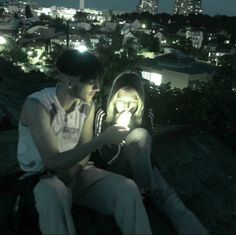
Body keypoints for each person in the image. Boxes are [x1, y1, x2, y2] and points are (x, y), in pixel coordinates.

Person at [16, 49, 152, 235]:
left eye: (98, 81)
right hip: (41, 178)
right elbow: (52, 162)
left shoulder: (87, 106)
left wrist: (72, 174)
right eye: (91, 82)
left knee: (127, 189)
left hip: (77, 172)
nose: (97, 88)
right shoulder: (38, 106)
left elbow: (84, 149)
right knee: (54, 192)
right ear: (69, 81)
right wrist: (102, 140)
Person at [94, 71, 209, 235]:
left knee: (170, 198)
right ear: (114, 98)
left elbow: (145, 146)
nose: (127, 106)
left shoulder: (145, 113)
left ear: (139, 100)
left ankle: (194, 229)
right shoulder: (102, 113)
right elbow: (101, 154)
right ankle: (147, 190)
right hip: (115, 166)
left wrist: (132, 126)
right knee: (139, 140)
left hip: (142, 166)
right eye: (122, 101)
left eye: (132, 101)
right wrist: (116, 137)